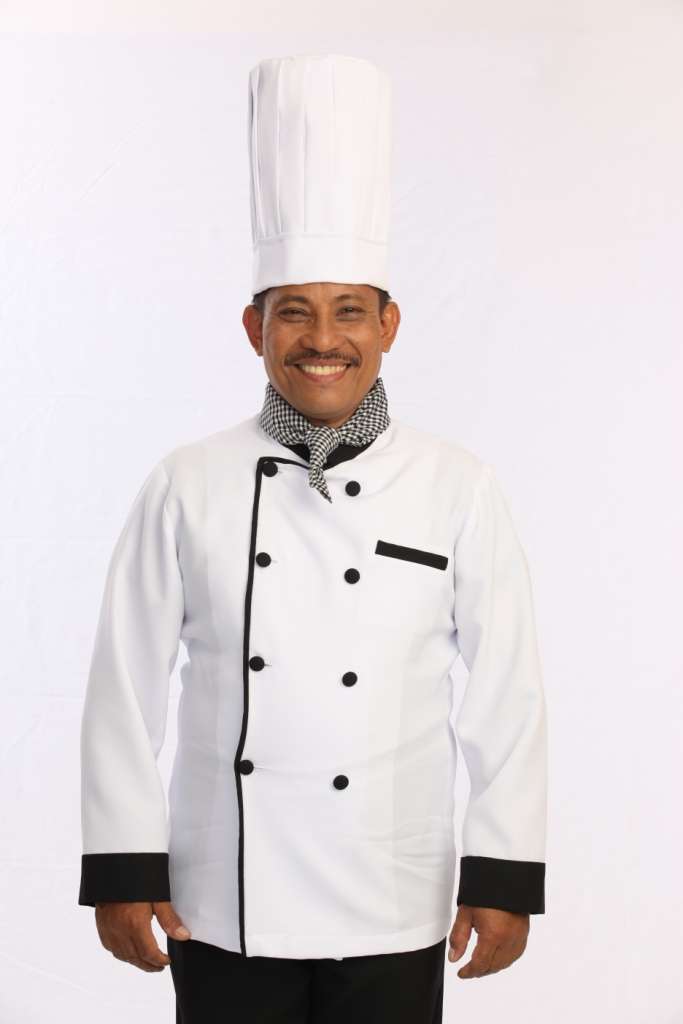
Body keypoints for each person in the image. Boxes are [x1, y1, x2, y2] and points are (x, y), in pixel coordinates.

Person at [78, 54, 548, 1023]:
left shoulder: (457, 486)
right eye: (292, 311)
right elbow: (123, 684)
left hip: (391, 892)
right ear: (253, 327)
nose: (320, 339)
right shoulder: (187, 481)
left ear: (388, 324)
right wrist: (122, 865)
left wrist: (503, 873)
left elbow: (507, 693)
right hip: (221, 899)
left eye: (347, 312)